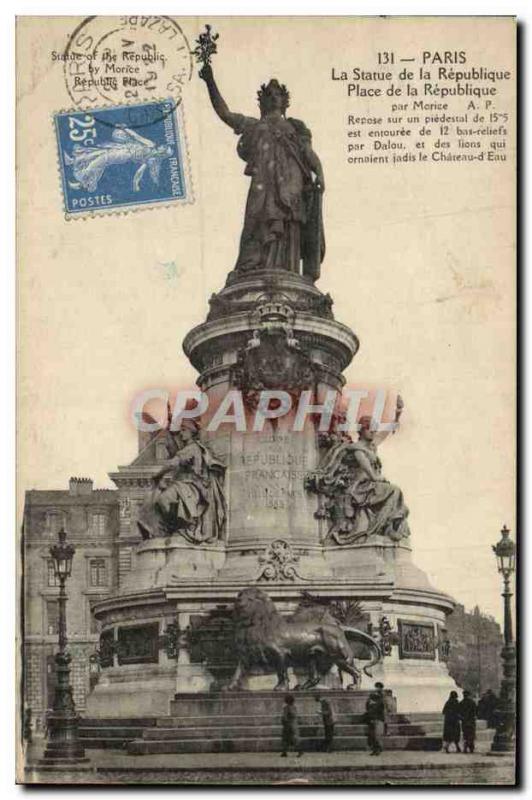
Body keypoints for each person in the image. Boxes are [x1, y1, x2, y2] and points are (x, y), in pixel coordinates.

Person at [199, 62, 325, 279]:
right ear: (262, 101)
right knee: (257, 219)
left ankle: (288, 271)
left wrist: (320, 171)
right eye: (270, 95)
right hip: (264, 184)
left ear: (285, 101)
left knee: (288, 223)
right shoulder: (253, 126)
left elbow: (308, 153)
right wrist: (210, 81)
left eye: (278, 94)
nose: (274, 98)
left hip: (292, 184)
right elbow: (225, 113)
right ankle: (253, 267)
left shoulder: (296, 127)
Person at [137, 421, 226, 543]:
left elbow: (174, 462)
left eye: (184, 430)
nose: (181, 434)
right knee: (158, 500)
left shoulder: (192, 448)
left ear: (191, 433)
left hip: (192, 485)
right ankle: (174, 528)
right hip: (184, 484)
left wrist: (158, 474)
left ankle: (187, 526)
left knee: (165, 499)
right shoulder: (189, 448)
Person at [365, 690, 385, 755]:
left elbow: (380, 711)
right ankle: (375, 750)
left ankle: (378, 749)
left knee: (377, 736)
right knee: (372, 736)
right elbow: (368, 710)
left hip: (378, 721)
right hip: (372, 721)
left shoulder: (380, 703)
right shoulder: (370, 703)